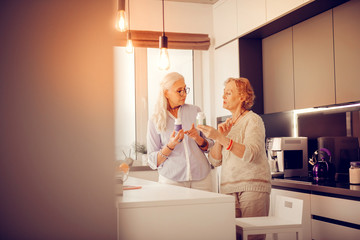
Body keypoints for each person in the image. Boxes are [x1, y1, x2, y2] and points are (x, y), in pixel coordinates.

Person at [197, 77, 271, 240]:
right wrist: (219, 138)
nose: (223, 96)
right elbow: (215, 161)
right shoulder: (228, 124)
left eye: (228, 93)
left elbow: (251, 153)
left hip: (252, 188)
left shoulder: (253, 120)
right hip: (228, 189)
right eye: (223, 93)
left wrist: (221, 137)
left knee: (254, 237)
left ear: (243, 97)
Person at [147, 72, 214, 192]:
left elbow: (210, 145)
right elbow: (153, 160)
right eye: (179, 91)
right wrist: (170, 145)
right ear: (166, 93)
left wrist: (198, 139)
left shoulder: (195, 111)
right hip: (171, 180)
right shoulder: (155, 120)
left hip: (202, 178)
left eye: (185, 89)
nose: (184, 94)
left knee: (205, 211)